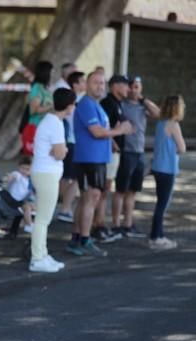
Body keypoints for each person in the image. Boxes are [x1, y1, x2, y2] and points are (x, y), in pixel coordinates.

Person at [66, 71, 132, 257]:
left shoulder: (96, 106)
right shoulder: (86, 104)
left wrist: (111, 137)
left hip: (98, 159)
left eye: (102, 83)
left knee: (88, 198)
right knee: (91, 198)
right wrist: (119, 130)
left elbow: (102, 131)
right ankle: (84, 239)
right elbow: (96, 132)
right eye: (96, 83)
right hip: (89, 159)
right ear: (87, 84)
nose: (100, 86)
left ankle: (78, 237)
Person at [29, 88, 76, 273]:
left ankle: (42, 253)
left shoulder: (50, 121)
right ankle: (37, 258)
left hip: (45, 173)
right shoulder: (55, 123)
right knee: (43, 219)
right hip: (46, 174)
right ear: (70, 105)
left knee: (43, 218)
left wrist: (60, 151)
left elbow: (57, 151)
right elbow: (59, 153)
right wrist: (62, 151)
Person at [113, 76, 159, 237]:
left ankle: (128, 224)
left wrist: (143, 99)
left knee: (133, 190)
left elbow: (158, 113)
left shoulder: (142, 106)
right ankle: (116, 224)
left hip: (139, 152)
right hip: (126, 151)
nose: (135, 90)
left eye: (138, 87)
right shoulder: (123, 105)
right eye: (132, 87)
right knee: (120, 190)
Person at [96, 74, 132, 243]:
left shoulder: (117, 103)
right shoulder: (108, 103)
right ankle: (98, 226)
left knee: (105, 191)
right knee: (103, 191)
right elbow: (103, 128)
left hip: (114, 155)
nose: (128, 89)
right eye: (126, 86)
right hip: (108, 154)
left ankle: (100, 225)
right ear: (116, 86)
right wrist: (113, 142)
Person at [149, 95, 186, 250]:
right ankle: (155, 237)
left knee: (160, 203)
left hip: (158, 167)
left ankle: (160, 235)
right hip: (168, 168)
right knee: (162, 205)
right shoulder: (173, 125)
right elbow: (182, 148)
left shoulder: (161, 123)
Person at [56, 70, 86, 223]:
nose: (85, 84)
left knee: (67, 177)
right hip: (72, 142)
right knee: (73, 178)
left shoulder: (76, 100)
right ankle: (65, 208)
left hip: (71, 142)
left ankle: (62, 205)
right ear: (75, 85)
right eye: (83, 81)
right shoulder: (77, 101)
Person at [21, 61, 54, 155]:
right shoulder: (37, 88)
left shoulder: (45, 88)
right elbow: (33, 110)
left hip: (46, 128)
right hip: (36, 128)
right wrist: (52, 106)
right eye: (51, 72)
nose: (53, 74)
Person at [5, 158, 34, 233]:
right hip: (13, 200)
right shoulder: (18, 175)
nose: (24, 171)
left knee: (32, 206)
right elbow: (13, 175)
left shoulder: (29, 180)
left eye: (27, 169)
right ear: (19, 167)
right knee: (27, 207)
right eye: (22, 168)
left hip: (20, 200)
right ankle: (29, 225)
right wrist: (9, 177)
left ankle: (23, 222)